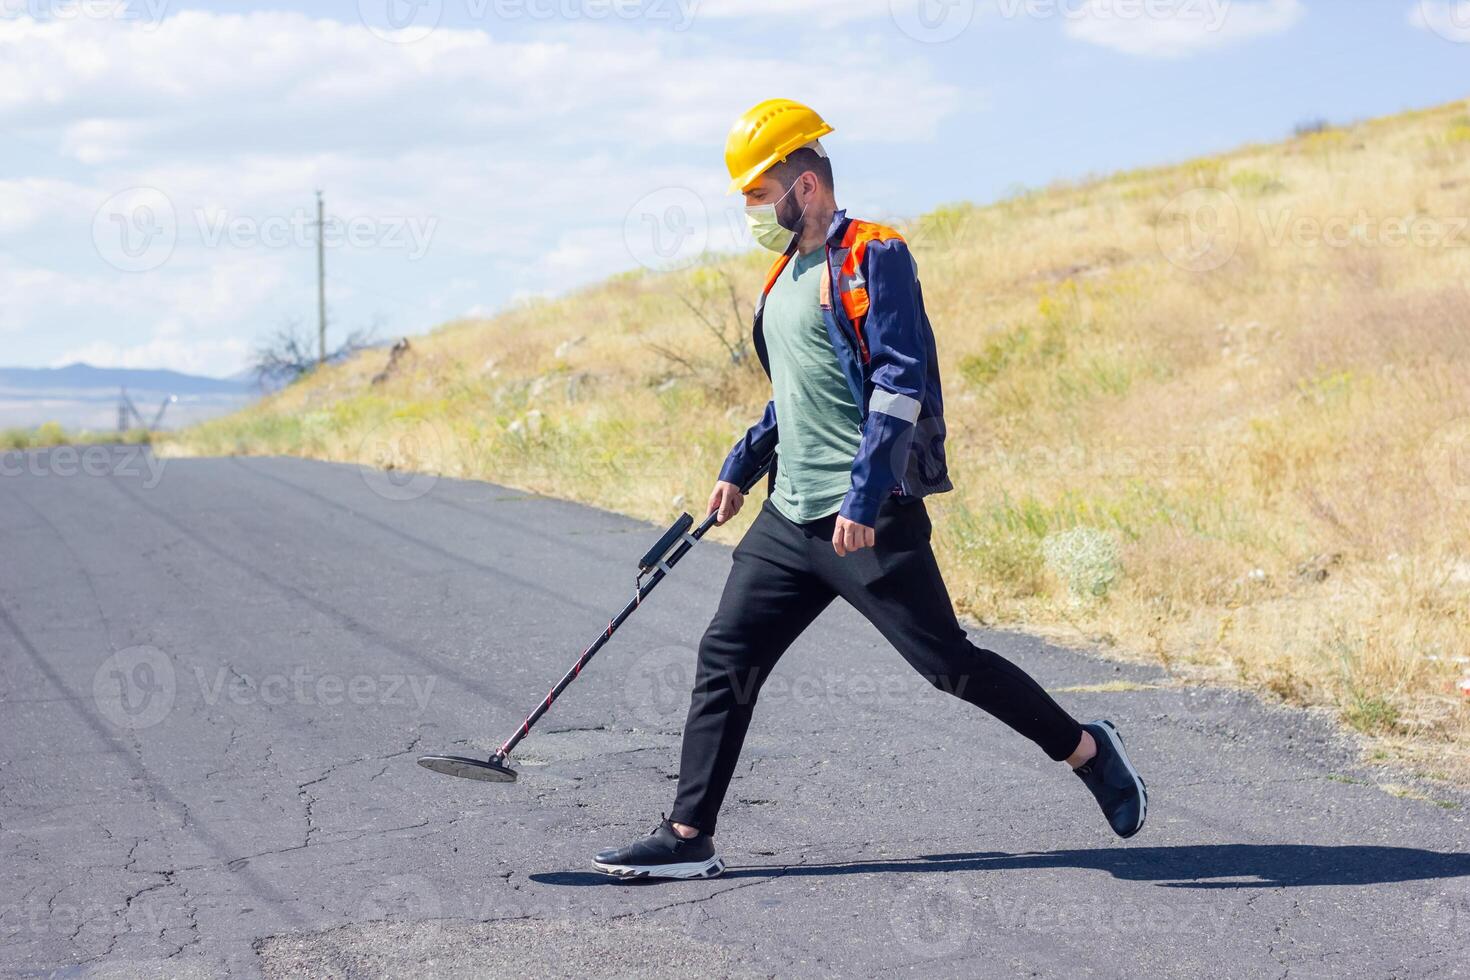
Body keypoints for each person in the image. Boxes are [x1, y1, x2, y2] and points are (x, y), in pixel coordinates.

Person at [593, 99, 1146, 880]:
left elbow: (897, 382)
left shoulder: (874, 256)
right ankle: (689, 837)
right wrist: (739, 467)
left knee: (949, 665)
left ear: (807, 185)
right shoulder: (783, 274)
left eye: (759, 192)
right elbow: (800, 391)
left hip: (865, 517)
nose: (751, 210)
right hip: (790, 519)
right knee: (727, 655)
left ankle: (1088, 750)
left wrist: (865, 495)